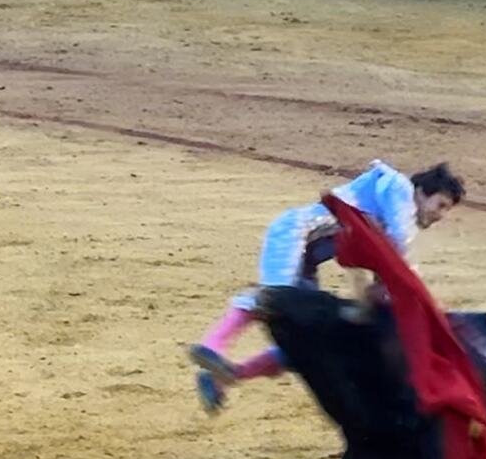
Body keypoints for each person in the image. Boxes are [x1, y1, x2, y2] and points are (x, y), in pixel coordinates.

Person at [190, 159, 466, 414]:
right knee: (276, 299)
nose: (441, 215)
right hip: (295, 233)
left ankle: (227, 377)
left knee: (307, 339)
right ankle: (211, 346)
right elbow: (397, 249)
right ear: (422, 191)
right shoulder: (399, 188)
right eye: (441, 205)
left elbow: (385, 266)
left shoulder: (399, 218)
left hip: (307, 258)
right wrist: (422, 298)